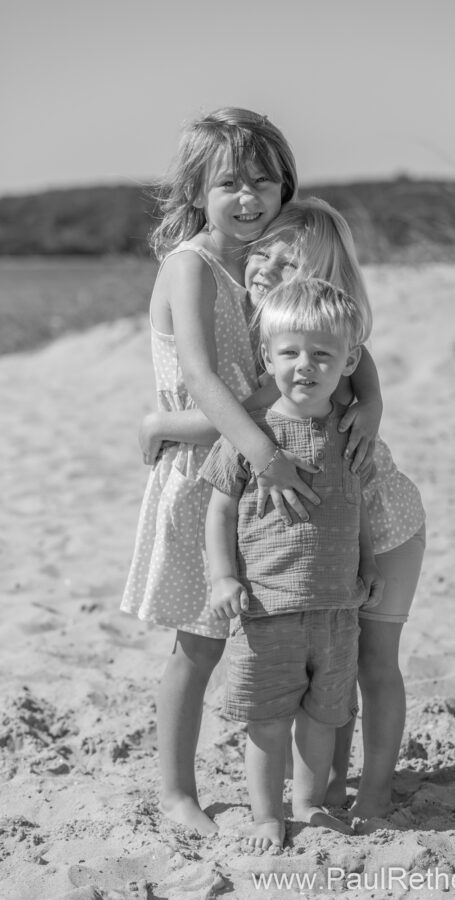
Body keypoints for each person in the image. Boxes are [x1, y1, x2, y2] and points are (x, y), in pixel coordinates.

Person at [142, 197, 426, 821]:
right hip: (320, 530)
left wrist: (161, 423)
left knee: (366, 662)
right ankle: (323, 792)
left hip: (380, 523)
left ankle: (366, 792)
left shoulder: (316, 341)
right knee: (327, 662)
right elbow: (247, 410)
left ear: (318, 276)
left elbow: (242, 414)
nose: (266, 266)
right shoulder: (290, 338)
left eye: (287, 260)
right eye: (261, 251)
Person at [121, 108, 325, 836]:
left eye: (265, 182)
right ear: (195, 191)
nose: (249, 197)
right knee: (200, 641)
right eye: (231, 183)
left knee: (282, 633)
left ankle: (295, 780)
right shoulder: (191, 265)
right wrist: (262, 451)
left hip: (258, 467)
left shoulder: (266, 263)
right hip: (209, 474)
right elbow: (206, 382)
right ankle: (177, 791)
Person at [201, 278, 384, 850]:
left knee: (324, 717)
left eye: (322, 354)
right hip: (267, 609)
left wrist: (369, 563)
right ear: (268, 357)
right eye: (290, 353)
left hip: (337, 610)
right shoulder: (250, 435)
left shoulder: (352, 434)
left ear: (349, 361)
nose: (305, 366)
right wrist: (222, 576)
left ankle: (308, 805)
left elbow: (359, 507)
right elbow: (219, 510)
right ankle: (265, 815)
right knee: (268, 721)